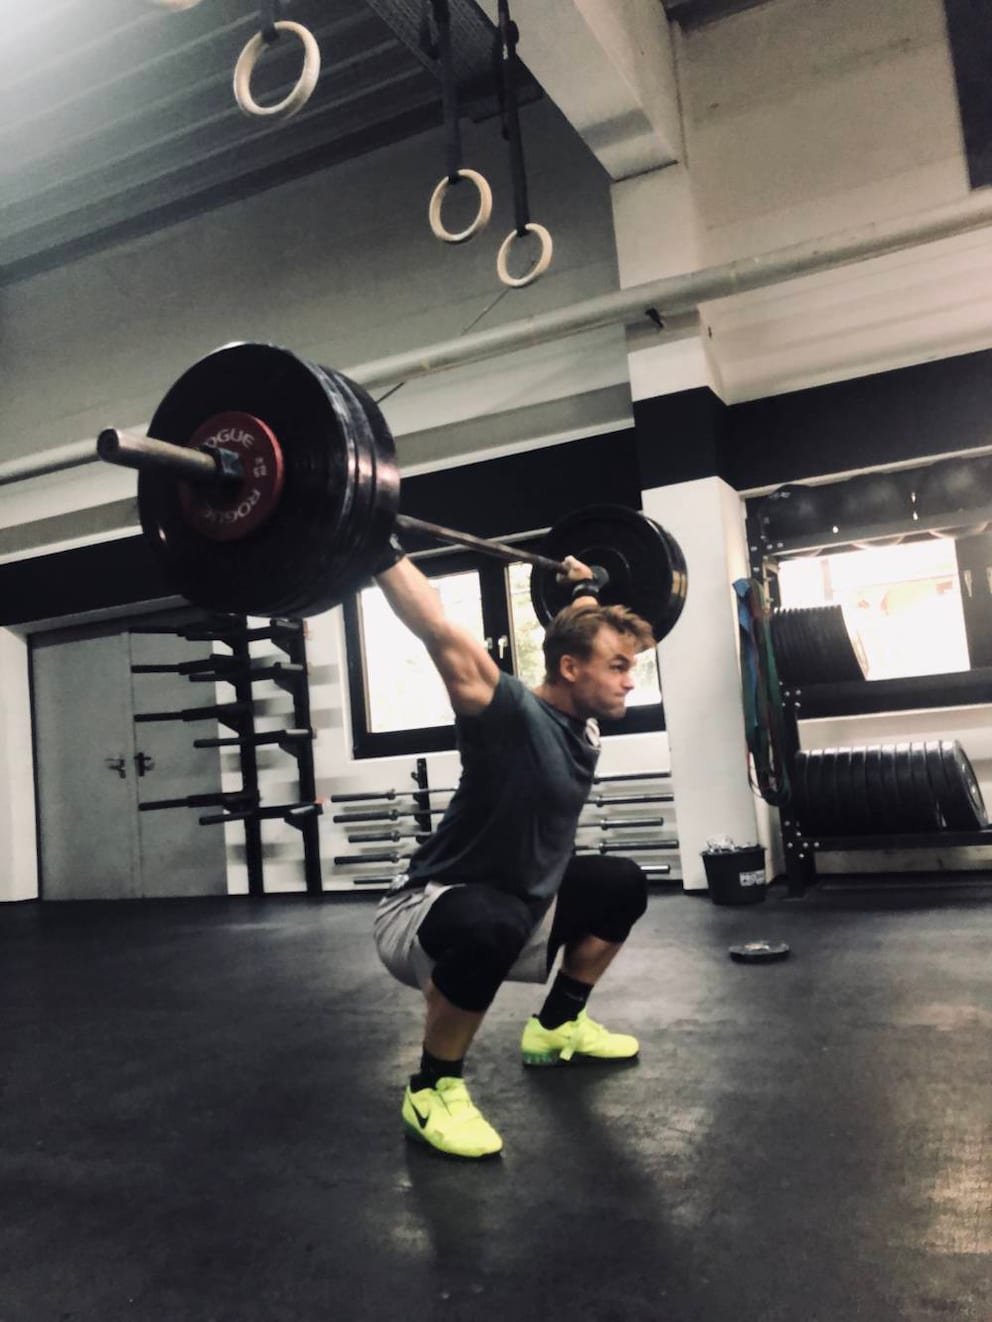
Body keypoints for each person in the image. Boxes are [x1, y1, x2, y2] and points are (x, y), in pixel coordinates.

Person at [371, 535, 656, 1159]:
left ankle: (556, 1027)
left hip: (523, 902)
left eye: (631, 667)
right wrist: (378, 547)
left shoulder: (581, 720)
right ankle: (432, 1087)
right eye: (620, 667)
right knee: (491, 921)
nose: (631, 681)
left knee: (621, 883)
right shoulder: (511, 714)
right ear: (571, 670)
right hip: (428, 907)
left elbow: (580, 635)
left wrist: (583, 588)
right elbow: (438, 628)